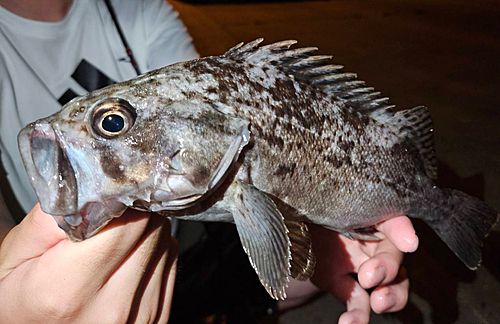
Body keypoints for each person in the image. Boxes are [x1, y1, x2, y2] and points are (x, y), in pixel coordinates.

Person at [0, 1, 418, 323]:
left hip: (198, 244)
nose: (109, 130)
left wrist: (314, 221)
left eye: (112, 123)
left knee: (294, 278)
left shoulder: (138, 8)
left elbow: (212, 86)